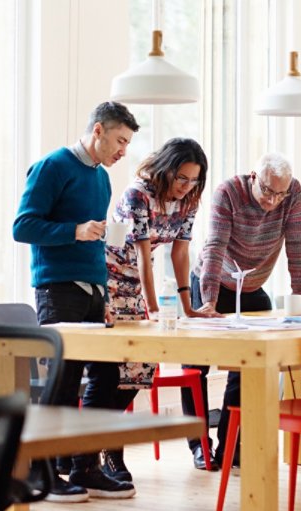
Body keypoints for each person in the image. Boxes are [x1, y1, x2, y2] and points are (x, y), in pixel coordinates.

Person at [12, 101, 139, 502]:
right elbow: (23, 226)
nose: (123, 151)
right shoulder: (53, 166)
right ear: (98, 130)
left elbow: (94, 237)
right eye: (120, 140)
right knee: (63, 382)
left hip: (94, 291)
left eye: (128, 144)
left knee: (103, 378)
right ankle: (44, 474)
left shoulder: (101, 179)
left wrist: (104, 290)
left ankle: (86, 466)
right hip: (58, 290)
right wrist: (76, 230)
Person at [182, 153, 301, 470]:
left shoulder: (292, 193)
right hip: (214, 280)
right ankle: (200, 446)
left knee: (247, 365)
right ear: (254, 177)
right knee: (195, 367)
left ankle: (231, 445)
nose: (272, 200)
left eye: (279, 194)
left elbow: (297, 248)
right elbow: (214, 247)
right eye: (267, 191)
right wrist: (208, 301)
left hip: (252, 287)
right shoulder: (228, 193)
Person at [99, 137, 212, 482]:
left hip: (139, 283)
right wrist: (151, 307)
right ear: (166, 170)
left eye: (194, 180)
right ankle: (108, 451)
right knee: (116, 373)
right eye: (182, 178)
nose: (187, 186)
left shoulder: (189, 200)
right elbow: (144, 255)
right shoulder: (138, 194)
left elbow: (179, 253)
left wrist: (188, 306)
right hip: (112, 280)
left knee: (141, 370)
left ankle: (98, 440)